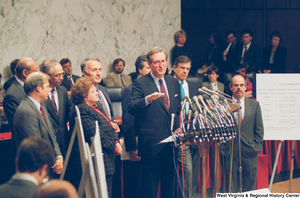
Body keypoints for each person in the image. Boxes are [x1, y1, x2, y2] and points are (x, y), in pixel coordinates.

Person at [128, 47, 181, 198]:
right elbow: (131, 107)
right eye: (156, 62)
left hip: (171, 145)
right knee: (149, 188)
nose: (161, 65)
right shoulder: (140, 83)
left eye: (163, 61)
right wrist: (147, 99)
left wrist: (177, 128)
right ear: (150, 64)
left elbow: (176, 110)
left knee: (169, 187)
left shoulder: (173, 81)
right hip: (152, 145)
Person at [69, 77, 122, 197]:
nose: (97, 93)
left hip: (104, 162)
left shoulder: (95, 106)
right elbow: (96, 135)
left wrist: (116, 141)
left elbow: (109, 125)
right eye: (93, 92)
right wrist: (114, 147)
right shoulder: (82, 110)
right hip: (94, 164)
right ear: (83, 96)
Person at [13, 72, 63, 175]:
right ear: (38, 88)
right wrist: (54, 164)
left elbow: (51, 135)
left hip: (47, 165)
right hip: (35, 169)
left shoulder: (42, 106)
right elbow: (36, 145)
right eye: (47, 86)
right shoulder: (26, 111)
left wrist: (58, 156)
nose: (49, 90)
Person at [3, 57, 40, 177]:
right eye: (37, 69)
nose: (39, 73)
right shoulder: (12, 95)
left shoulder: (34, 88)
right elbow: (22, 126)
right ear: (25, 73)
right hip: (27, 150)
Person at [122, 55, 150, 198]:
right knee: (135, 183)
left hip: (150, 143)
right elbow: (128, 121)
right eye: (148, 67)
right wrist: (132, 147)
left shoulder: (150, 88)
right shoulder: (131, 90)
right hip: (138, 143)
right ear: (140, 70)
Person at [230, 75, 264, 192]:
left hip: (250, 152)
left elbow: (259, 129)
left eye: (241, 85)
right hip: (230, 153)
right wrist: (223, 148)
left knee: (250, 188)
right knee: (230, 188)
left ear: (245, 87)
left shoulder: (254, 105)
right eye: (236, 85)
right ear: (231, 87)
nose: (239, 88)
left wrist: (256, 147)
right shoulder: (224, 105)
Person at [172, 55, 200, 198]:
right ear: (174, 68)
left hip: (194, 134)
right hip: (178, 134)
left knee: (193, 173)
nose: (185, 71)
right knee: (187, 173)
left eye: (187, 69)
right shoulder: (169, 85)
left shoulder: (194, 85)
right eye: (182, 68)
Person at [40, 60, 71, 158]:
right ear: (47, 75)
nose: (61, 78)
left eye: (62, 74)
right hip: (48, 142)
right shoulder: (40, 93)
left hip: (64, 139)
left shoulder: (62, 90)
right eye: (57, 75)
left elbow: (66, 114)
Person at [81, 57, 121, 127]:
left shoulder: (103, 89)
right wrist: (109, 125)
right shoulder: (82, 93)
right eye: (94, 70)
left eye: (100, 69)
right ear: (84, 73)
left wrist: (113, 122)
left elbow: (109, 114)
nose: (98, 73)